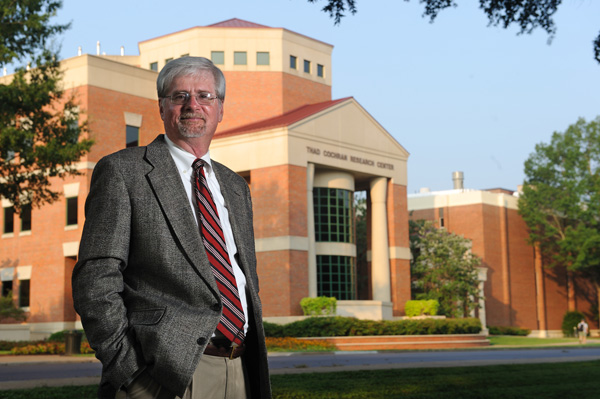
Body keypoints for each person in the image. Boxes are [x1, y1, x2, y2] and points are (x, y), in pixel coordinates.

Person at [72, 57, 271, 399]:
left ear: (220, 109)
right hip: (163, 377)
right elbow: (96, 279)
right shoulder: (124, 172)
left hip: (241, 369)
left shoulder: (235, 187)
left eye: (205, 96)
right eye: (180, 96)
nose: (193, 105)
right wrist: (132, 376)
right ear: (163, 107)